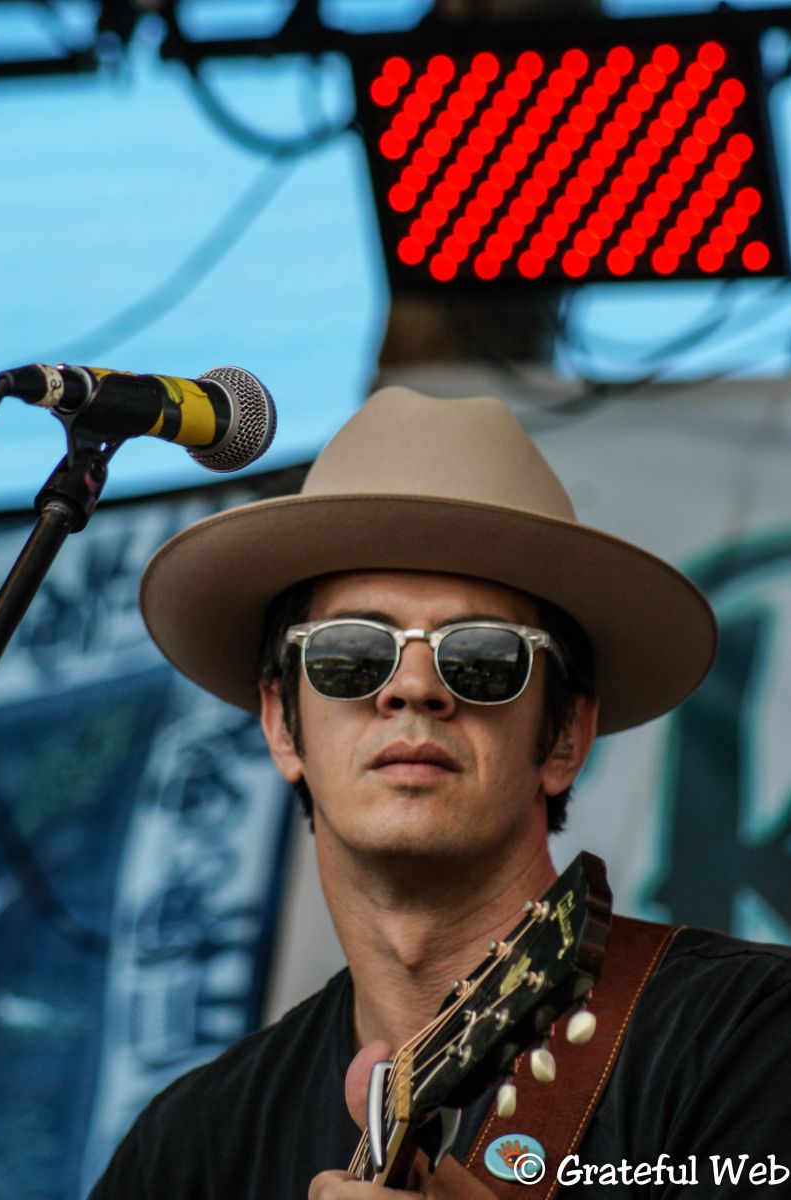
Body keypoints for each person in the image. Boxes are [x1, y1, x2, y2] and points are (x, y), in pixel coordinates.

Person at [89, 388, 790, 1199]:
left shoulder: (751, 1037)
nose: (413, 687)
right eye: (351, 654)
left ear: (565, 736)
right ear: (282, 724)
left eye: (482, 658)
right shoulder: (193, 1147)